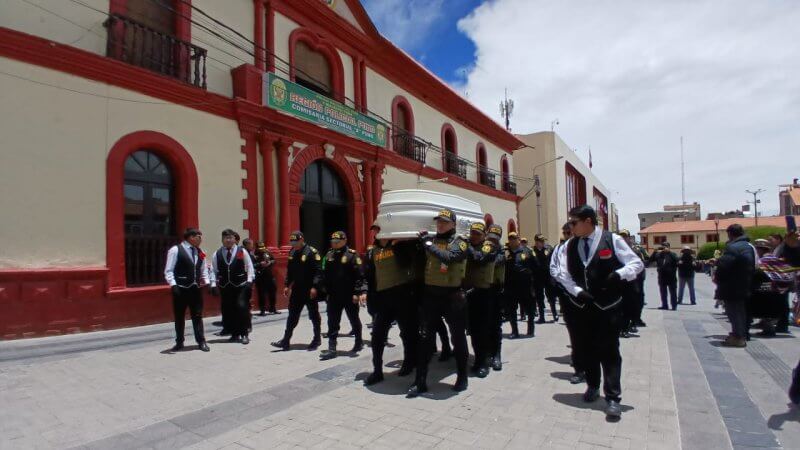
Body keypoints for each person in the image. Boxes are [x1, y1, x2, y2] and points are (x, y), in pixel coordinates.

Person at [556, 205, 644, 420]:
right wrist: (577, 291)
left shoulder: (611, 240)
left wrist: (619, 274)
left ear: (588, 221)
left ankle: (613, 398)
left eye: (574, 223)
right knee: (587, 350)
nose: (571, 227)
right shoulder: (569, 245)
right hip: (583, 308)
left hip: (608, 307)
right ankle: (593, 386)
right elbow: (562, 273)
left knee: (610, 352)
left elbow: (636, 263)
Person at [408, 208, 469, 396]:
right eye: (438, 221)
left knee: (457, 337)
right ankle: (420, 381)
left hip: (452, 297)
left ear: (453, 224)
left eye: (444, 221)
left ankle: (462, 377)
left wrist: (427, 244)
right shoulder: (431, 240)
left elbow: (449, 258)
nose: (440, 224)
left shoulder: (460, 243)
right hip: (431, 296)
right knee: (425, 338)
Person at [364, 225, 421, 385]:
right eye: (374, 230)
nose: (376, 232)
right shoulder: (372, 252)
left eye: (378, 229)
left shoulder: (400, 246)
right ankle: (377, 371)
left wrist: (399, 244)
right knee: (377, 336)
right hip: (383, 298)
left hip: (402, 295)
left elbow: (408, 263)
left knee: (408, 333)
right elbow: (369, 275)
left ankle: (409, 362)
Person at [271, 231, 323, 351]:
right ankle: (286, 340)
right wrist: (287, 285)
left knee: (314, 315)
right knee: (292, 315)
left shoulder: (311, 252)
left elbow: (318, 272)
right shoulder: (292, 251)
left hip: (309, 289)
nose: (294, 244)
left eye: (296, 241)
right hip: (297, 290)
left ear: (302, 240)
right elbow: (290, 271)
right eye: (292, 242)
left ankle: (317, 339)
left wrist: (315, 287)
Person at [319, 231, 367, 360]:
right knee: (332, 322)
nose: (334, 244)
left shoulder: (352, 255)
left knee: (353, 319)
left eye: (337, 242)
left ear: (344, 241)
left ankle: (358, 341)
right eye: (332, 242)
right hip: (334, 295)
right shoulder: (329, 254)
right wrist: (325, 292)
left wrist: (358, 292)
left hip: (349, 294)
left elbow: (359, 276)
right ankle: (332, 348)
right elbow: (325, 274)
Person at [163, 228, 211, 352]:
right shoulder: (176, 250)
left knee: (197, 316)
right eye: (199, 236)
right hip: (181, 289)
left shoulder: (200, 252)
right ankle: (179, 342)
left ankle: (201, 341)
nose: (201, 239)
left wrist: (207, 283)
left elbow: (203, 269)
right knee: (179, 317)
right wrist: (173, 285)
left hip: (195, 289)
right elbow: (169, 270)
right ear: (191, 237)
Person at [464, 222, 501, 378]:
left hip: (484, 294)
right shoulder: (467, 246)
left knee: (484, 330)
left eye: (478, 234)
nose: (474, 236)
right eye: (472, 233)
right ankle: (479, 359)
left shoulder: (488, 246)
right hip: (469, 293)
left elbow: (479, 258)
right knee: (473, 330)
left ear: (484, 235)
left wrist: (467, 246)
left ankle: (485, 362)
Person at [551, 222, 585, 384]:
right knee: (575, 334)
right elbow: (554, 269)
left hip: (585, 297)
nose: (566, 235)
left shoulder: (585, 246)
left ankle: (591, 366)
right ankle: (579, 369)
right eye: (564, 233)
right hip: (567, 297)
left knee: (589, 333)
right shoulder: (559, 249)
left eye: (569, 232)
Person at [714, 224, 757, 348]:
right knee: (740, 311)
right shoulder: (748, 246)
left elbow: (724, 266)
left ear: (730, 234)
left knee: (734, 311)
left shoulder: (733, 248)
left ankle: (738, 337)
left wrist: (718, 278)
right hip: (744, 283)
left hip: (732, 285)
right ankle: (739, 334)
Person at [210, 229, 255, 344]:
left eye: (231, 238)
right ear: (222, 239)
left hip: (240, 285)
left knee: (241, 307)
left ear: (235, 239)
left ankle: (244, 334)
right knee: (229, 310)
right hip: (225, 286)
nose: (228, 240)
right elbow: (213, 270)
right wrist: (213, 284)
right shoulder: (217, 253)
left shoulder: (242, 251)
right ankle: (234, 334)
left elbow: (249, 266)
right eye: (226, 238)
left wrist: (249, 281)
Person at [505, 231, 537, 338]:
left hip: (525, 285)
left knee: (530, 308)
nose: (512, 240)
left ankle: (531, 329)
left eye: (514, 238)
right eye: (510, 238)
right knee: (511, 309)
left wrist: (534, 283)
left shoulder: (527, 251)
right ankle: (515, 331)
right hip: (511, 286)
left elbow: (536, 267)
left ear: (518, 239)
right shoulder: (505, 252)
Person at [486, 224, 505, 371]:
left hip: (496, 292)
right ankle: (487, 354)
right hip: (482, 290)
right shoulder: (483, 247)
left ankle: (496, 355)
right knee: (483, 326)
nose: (492, 241)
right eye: (490, 237)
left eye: (495, 239)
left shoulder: (501, 252)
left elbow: (496, 261)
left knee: (495, 326)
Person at [532, 234, 558, 323]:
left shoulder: (549, 249)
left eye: (543, 241)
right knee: (539, 297)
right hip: (537, 277)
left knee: (551, 295)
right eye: (541, 241)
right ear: (536, 242)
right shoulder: (532, 251)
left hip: (548, 276)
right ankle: (542, 317)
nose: (543, 243)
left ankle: (555, 313)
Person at [252, 241, 278, 315]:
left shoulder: (267, 252)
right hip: (260, 277)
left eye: (263, 248)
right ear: (257, 248)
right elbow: (252, 265)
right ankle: (262, 310)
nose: (262, 250)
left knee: (273, 292)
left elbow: (274, 260)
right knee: (262, 294)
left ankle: (273, 308)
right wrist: (260, 264)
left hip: (270, 276)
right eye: (260, 248)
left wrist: (270, 262)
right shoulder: (254, 255)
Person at [651, 243, 679, 310]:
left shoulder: (673, 254)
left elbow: (677, 260)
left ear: (669, 247)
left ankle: (674, 306)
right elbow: (650, 260)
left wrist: (669, 252)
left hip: (671, 277)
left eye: (666, 247)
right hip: (662, 276)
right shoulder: (659, 255)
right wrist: (654, 252)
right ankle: (664, 305)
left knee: (673, 292)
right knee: (663, 292)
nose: (664, 248)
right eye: (663, 247)